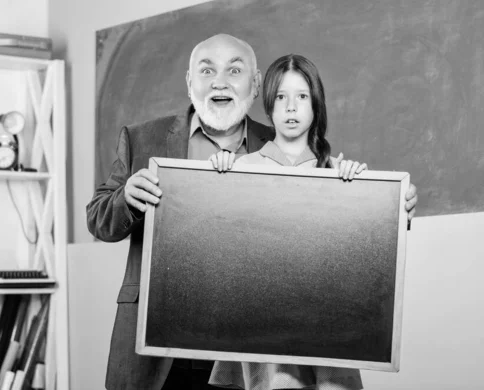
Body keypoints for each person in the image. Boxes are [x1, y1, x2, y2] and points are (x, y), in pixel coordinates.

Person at [87, 34, 417, 390]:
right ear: (189, 81)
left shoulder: (282, 142)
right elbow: (98, 218)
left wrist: (395, 204)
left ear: (256, 85)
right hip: (159, 343)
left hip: (247, 350)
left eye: (234, 70)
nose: (220, 81)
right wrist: (127, 198)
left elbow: (335, 217)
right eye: (207, 69)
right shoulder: (143, 138)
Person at [206, 54, 383, 390]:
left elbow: (362, 257)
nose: (291, 108)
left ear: (315, 105)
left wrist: (369, 194)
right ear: (269, 106)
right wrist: (215, 181)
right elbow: (219, 253)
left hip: (324, 323)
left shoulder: (337, 175)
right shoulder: (240, 169)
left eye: (302, 97)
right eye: (282, 97)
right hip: (262, 324)